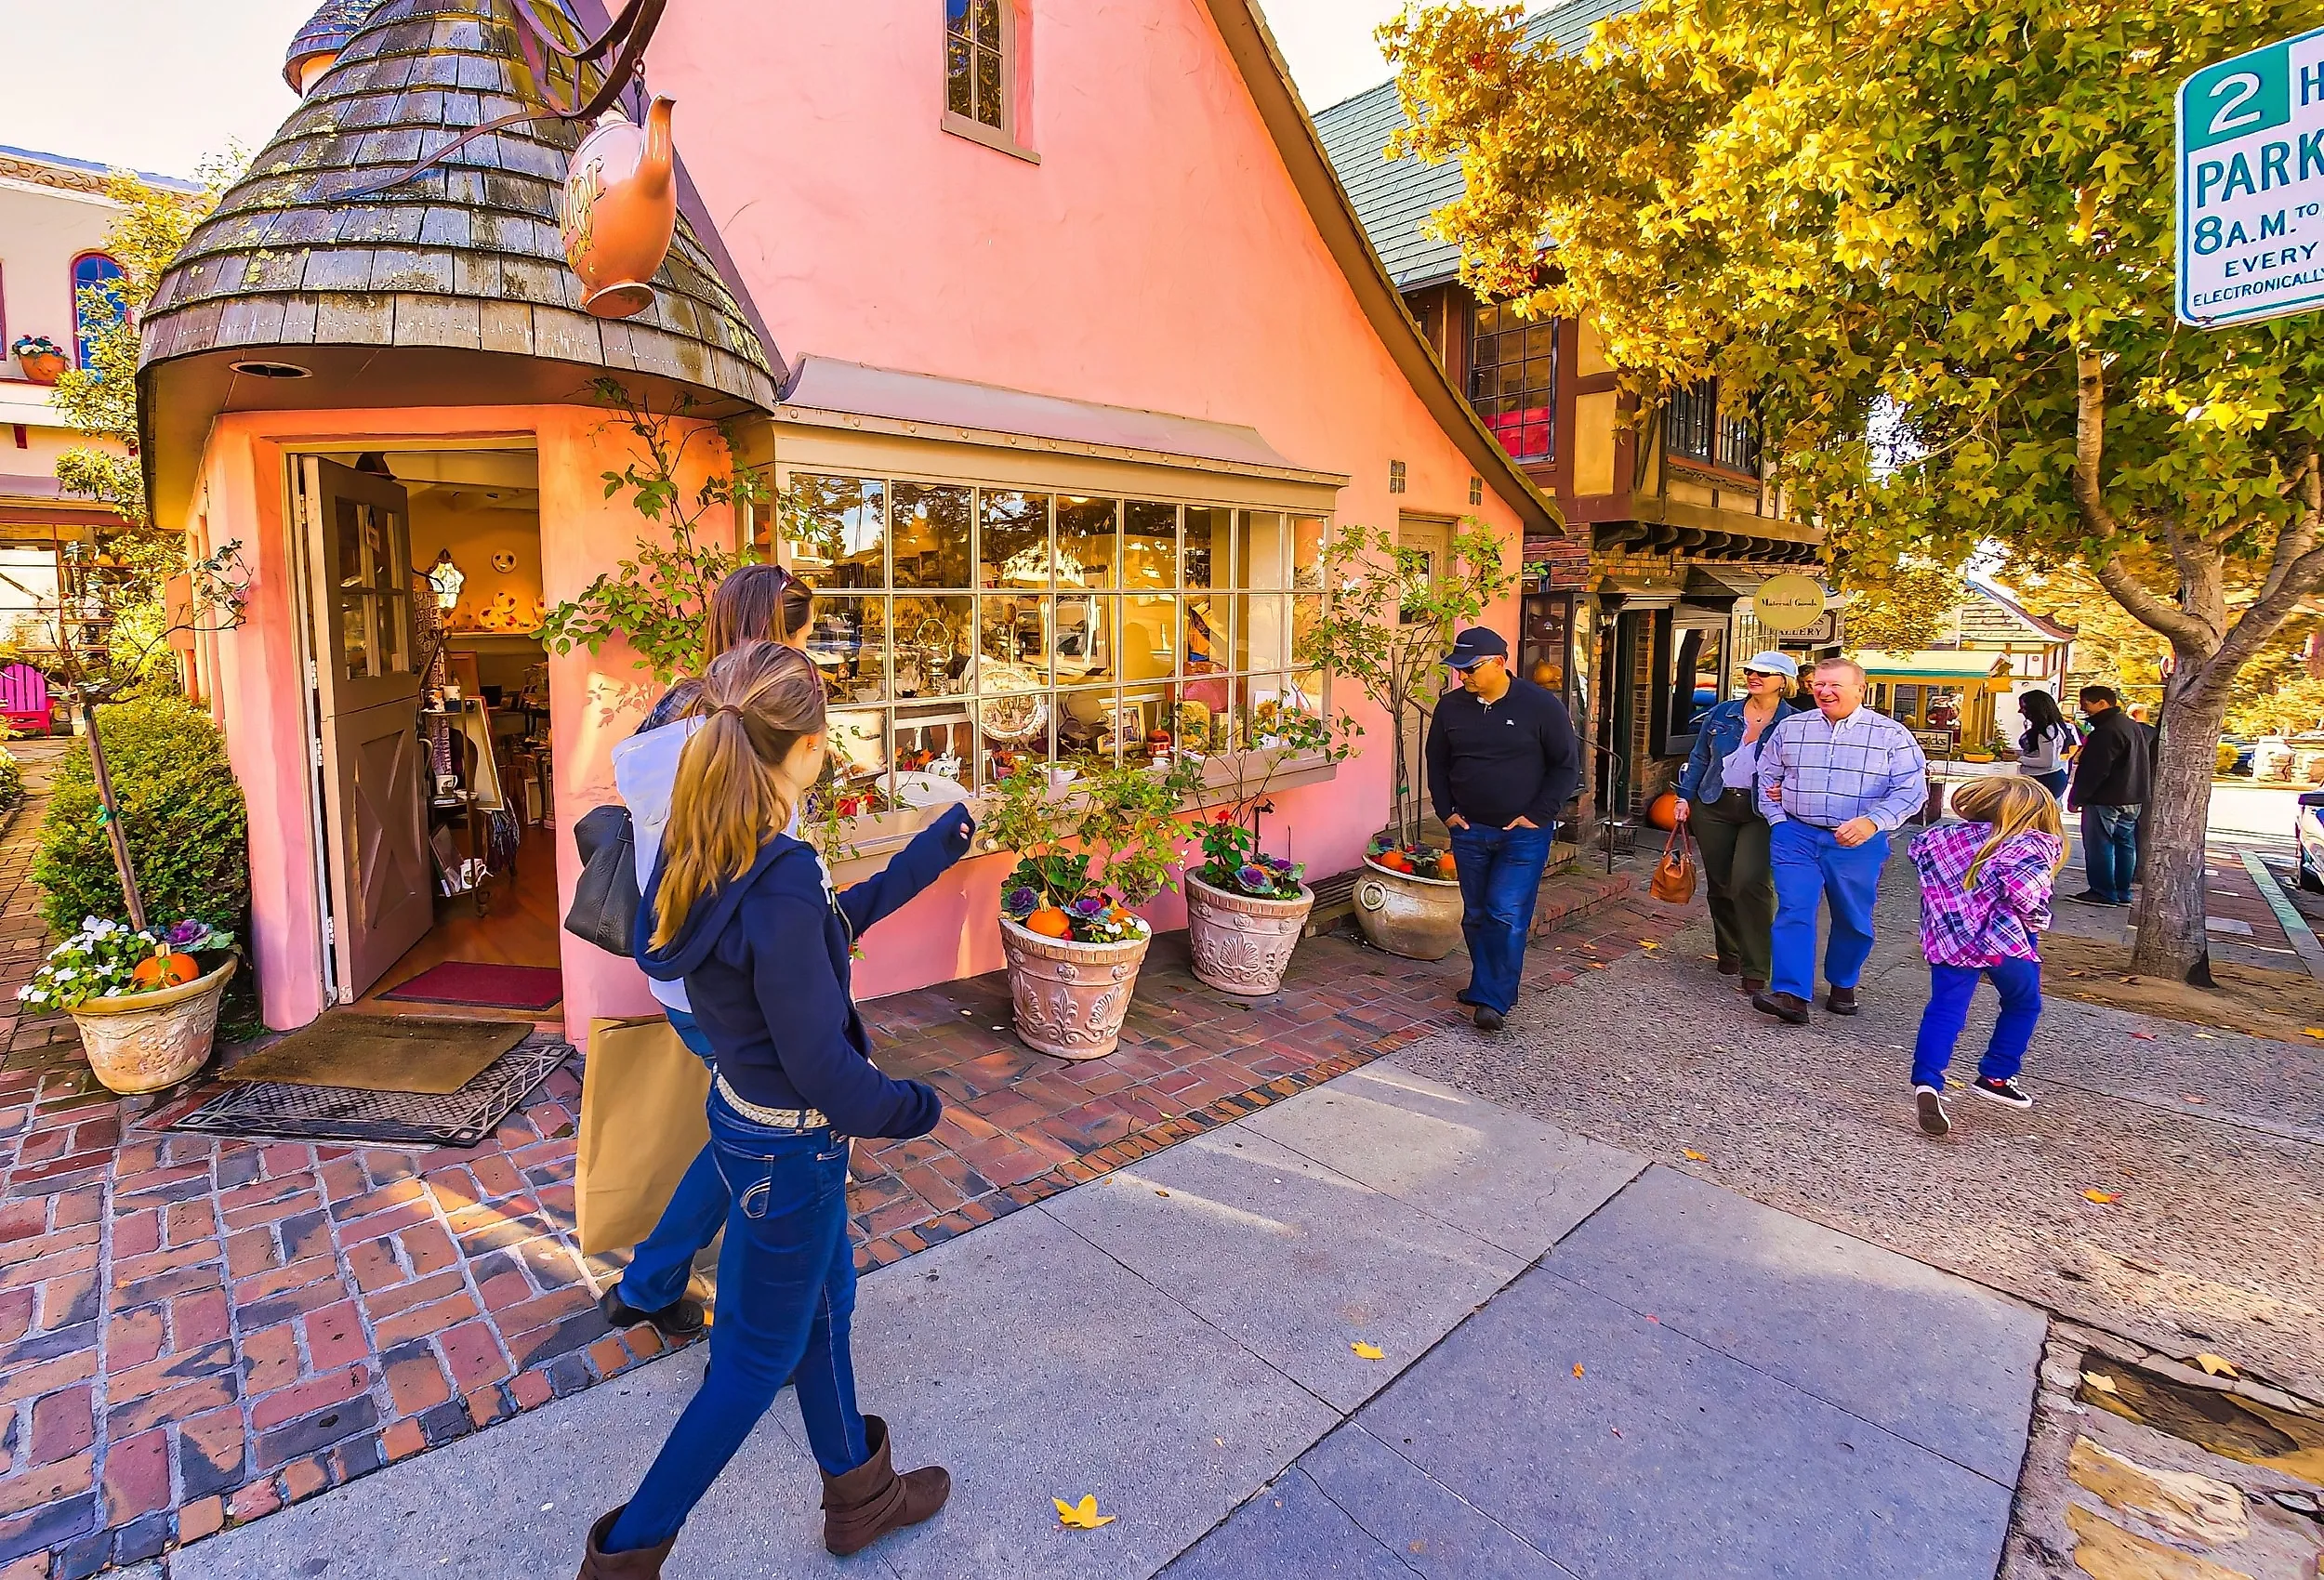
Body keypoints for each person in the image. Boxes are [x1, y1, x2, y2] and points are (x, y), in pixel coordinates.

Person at [580, 641, 973, 1574]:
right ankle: (623, 1558)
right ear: (803, 745)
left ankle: (861, 1497)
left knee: (827, 1309)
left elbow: (824, 930)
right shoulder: (778, 871)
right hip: (792, 1150)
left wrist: (935, 848)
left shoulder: (705, 849)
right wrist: (915, 1106)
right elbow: (824, 1068)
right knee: (752, 1365)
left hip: (747, 1123)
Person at [598, 563, 816, 1339]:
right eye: (802, 634)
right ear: (780, 634)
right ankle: (668, 1289)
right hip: (742, 976)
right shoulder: (760, 726)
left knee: (746, 1123)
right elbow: (764, 872)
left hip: (681, 962)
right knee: (766, 1137)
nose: (808, 650)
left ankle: (652, 1284)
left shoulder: (672, 713)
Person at [1750, 657, 1930, 1024]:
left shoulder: (1890, 735)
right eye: (1819, 684)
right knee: (1793, 910)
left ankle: (1843, 982)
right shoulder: (1792, 728)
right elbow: (1767, 773)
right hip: (1796, 835)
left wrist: (1873, 822)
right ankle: (1791, 994)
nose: (1825, 691)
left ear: (1860, 689)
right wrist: (1778, 820)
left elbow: (1912, 791)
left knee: (1852, 917)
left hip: (1857, 842)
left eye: (1835, 685)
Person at [1425, 626, 1583, 1033]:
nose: (1463, 676)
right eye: (1458, 669)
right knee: (1476, 915)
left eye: (1471, 668)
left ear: (1499, 662)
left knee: (1505, 913)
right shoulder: (1450, 708)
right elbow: (1437, 763)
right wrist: (1446, 812)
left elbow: (1566, 765)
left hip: (1523, 834)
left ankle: (1493, 1000)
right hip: (1469, 829)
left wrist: (1539, 814)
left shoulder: (1541, 705)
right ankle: (1485, 986)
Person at [1906, 775, 2066, 1138]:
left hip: (1949, 937)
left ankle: (1927, 1082)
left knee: (1945, 1009)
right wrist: (2037, 920)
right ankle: (1996, 1075)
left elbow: (1920, 857)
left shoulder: (1940, 838)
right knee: (2023, 1002)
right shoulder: (2029, 845)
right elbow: (2026, 895)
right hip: (2003, 941)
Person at [1674, 652, 1802, 993]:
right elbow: (1700, 757)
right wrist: (1684, 797)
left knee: (1750, 882)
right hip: (1714, 803)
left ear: (1784, 682)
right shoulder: (1722, 713)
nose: (1753, 677)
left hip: (1763, 811)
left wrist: (1789, 789)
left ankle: (1756, 965)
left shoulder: (1795, 723)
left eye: (1764, 673)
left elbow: (1805, 769)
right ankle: (1728, 950)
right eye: (1750, 671)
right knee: (1720, 884)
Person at [2065, 684, 2149, 906]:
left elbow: (2095, 770)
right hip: (2132, 796)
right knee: (2125, 843)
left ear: (2102, 703)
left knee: (2100, 843)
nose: (2084, 710)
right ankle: (2122, 892)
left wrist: (2077, 797)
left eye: (2086, 705)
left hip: (2105, 797)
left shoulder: (2106, 731)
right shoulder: (2131, 726)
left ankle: (2102, 891)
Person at [2014, 690, 2077, 799]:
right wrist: (2016, 753)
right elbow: (2039, 753)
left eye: (2024, 707)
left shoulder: (2047, 730)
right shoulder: (2052, 727)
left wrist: (2018, 758)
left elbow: (2047, 762)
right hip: (2045, 778)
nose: (2021, 711)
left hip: (2045, 779)